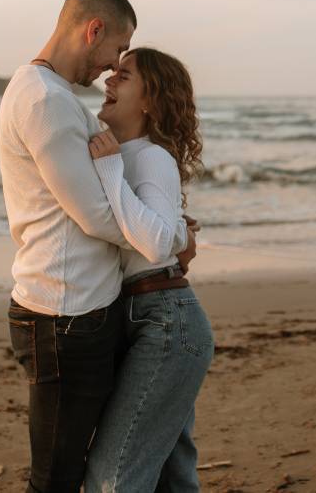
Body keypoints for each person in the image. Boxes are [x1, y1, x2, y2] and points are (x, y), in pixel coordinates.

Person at [0, 0, 194, 493]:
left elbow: (111, 204)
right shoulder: (45, 100)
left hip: (78, 309)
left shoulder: (47, 94)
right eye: (117, 50)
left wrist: (165, 232)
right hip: (65, 314)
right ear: (94, 30)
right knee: (61, 477)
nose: (111, 66)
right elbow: (96, 217)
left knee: (135, 459)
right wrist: (166, 240)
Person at [85, 47, 214, 492]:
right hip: (149, 317)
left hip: (166, 320)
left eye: (124, 76)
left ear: (149, 100)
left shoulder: (149, 156)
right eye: (113, 73)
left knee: (114, 477)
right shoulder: (125, 154)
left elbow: (157, 241)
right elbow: (165, 235)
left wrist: (109, 169)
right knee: (170, 474)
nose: (109, 81)